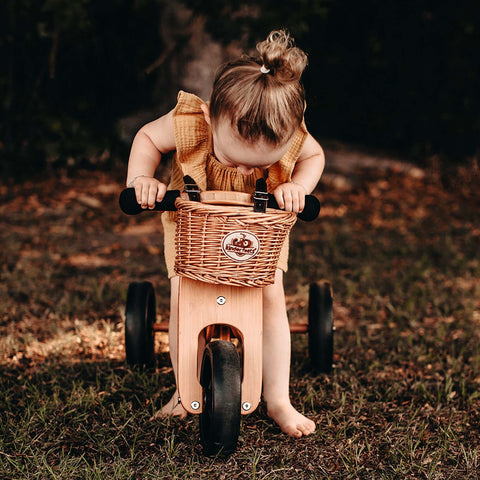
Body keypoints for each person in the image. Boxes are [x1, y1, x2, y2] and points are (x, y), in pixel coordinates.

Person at [126, 30, 325, 438]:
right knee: (185, 298)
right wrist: (140, 179)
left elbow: (314, 156)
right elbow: (147, 137)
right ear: (211, 118)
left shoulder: (287, 128)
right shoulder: (190, 121)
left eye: (262, 166)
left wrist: (298, 188)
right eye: (236, 160)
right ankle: (184, 394)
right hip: (194, 228)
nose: (249, 173)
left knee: (271, 299)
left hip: (259, 231)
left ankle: (278, 399)